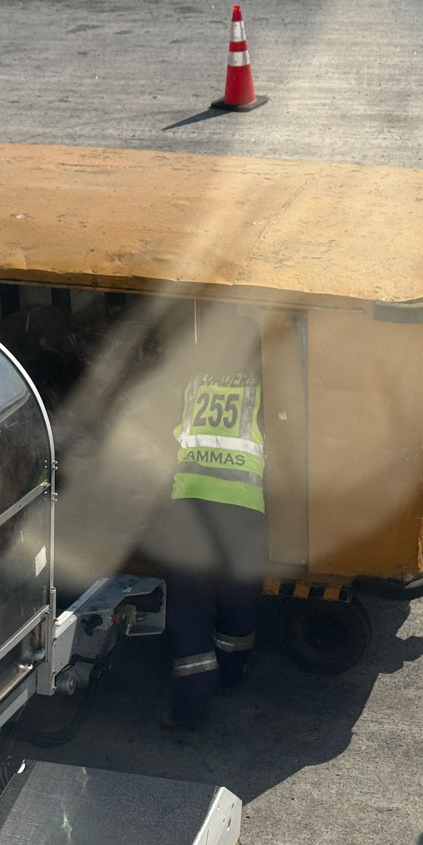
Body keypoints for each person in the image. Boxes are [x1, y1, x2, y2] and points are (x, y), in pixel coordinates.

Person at [159, 312, 267, 730]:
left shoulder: (194, 383)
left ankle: (190, 709)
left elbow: (169, 435)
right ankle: (233, 674)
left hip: (189, 506)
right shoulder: (263, 388)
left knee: (189, 606)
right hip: (242, 508)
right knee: (239, 598)